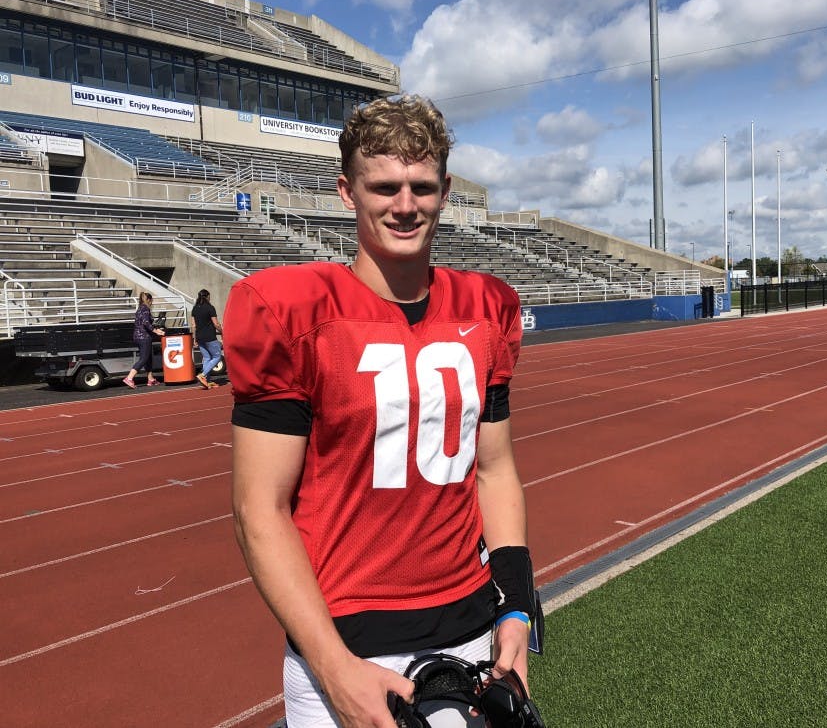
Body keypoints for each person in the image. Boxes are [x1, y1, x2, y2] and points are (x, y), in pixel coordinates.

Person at [225, 94, 537, 728]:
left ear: (445, 190)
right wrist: (335, 670)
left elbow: (495, 471)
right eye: (385, 186)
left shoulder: (484, 309)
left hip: (472, 627)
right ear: (347, 191)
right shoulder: (294, 311)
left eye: (421, 186)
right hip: (348, 642)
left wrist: (516, 609)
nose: (404, 204)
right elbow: (259, 509)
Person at [123, 291, 165, 388]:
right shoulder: (146, 309)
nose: (152, 303)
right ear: (149, 300)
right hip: (144, 337)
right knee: (144, 358)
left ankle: (150, 379)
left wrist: (155, 329)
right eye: (151, 301)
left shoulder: (139, 309)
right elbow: (146, 322)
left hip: (137, 336)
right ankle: (129, 378)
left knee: (148, 358)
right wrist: (156, 331)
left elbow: (143, 323)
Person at [190, 288, 223, 389]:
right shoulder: (210, 308)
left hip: (200, 337)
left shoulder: (195, 308)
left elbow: (193, 325)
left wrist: (195, 338)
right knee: (217, 356)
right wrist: (222, 331)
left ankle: (206, 381)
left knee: (207, 358)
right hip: (209, 337)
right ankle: (203, 375)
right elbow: (216, 324)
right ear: (207, 297)